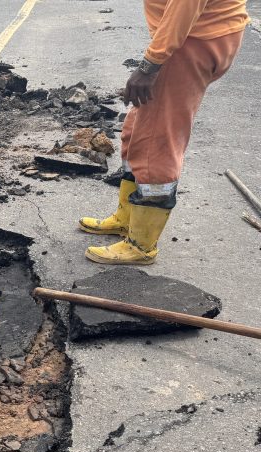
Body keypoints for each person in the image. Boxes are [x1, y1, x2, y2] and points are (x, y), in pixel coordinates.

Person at [80, 0, 249, 265]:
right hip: (194, 36)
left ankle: (141, 245)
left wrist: (150, 64)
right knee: (136, 129)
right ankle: (127, 218)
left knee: (155, 141)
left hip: (192, 41)